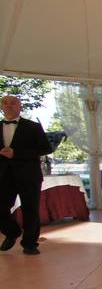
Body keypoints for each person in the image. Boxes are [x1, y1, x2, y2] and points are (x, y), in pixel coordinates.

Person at [0, 95, 53, 255]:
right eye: (5, 104)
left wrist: (17, 153)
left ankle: (30, 243)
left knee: (31, 210)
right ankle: (12, 232)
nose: (9, 106)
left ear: (20, 107)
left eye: (13, 103)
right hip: (3, 175)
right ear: (2, 107)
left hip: (29, 175)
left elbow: (46, 148)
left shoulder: (33, 127)